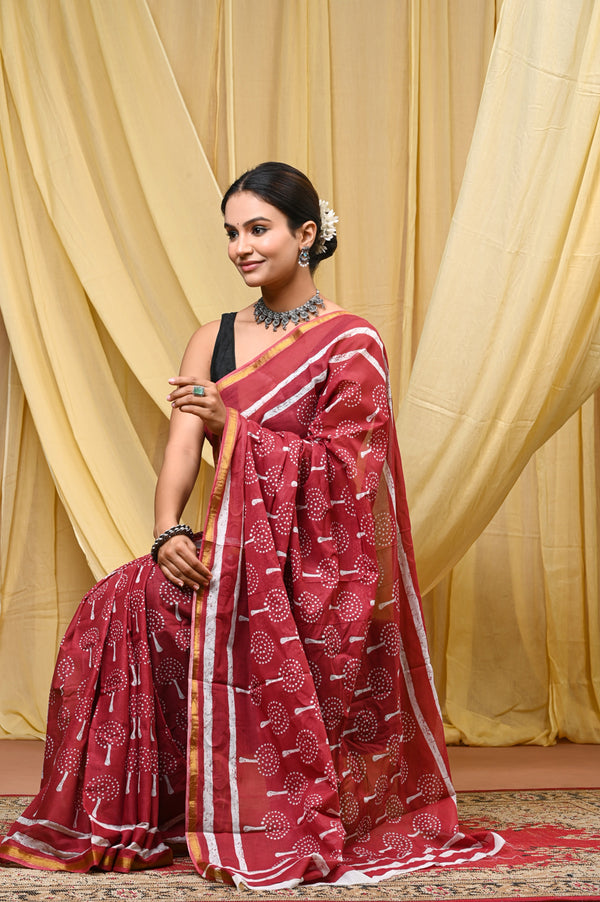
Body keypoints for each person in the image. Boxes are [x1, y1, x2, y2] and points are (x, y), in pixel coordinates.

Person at [0, 162, 503, 887]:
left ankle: (261, 810)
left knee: (196, 618)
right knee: (120, 605)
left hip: (316, 571)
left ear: (306, 235)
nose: (240, 247)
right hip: (235, 550)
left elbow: (350, 477)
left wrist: (233, 425)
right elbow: (179, 447)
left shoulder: (350, 342)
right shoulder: (212, 340)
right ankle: (143, 816)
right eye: (232, 233)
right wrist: (168, 532)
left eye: (258, 230)